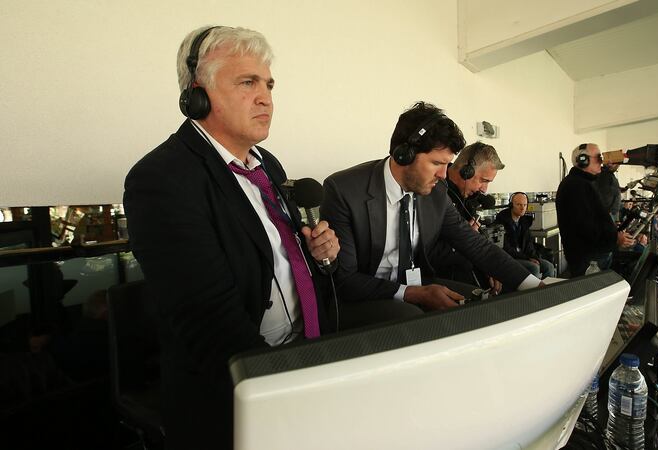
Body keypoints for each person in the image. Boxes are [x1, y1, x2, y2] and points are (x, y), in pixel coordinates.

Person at [123, 26, 339, 450]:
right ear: (197, 96)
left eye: (269, 85)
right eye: (247, 82)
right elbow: (211, 325)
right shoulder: (161, 179)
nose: (266, 98)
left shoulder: (267, 165)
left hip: (305, 361)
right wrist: (290, 390)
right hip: (238, 395)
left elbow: (275, 258)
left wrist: (319, 253)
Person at [320, 101, 540, 328]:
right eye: (437, 163)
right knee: (416, 320)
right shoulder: (344, 190)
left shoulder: (436, 193)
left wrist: (536, 287)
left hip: (416, 283)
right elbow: (345, 280)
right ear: (404, 155)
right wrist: (414, 293)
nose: (444, 174)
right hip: (362, 295)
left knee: (480, 307)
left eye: (447, 164)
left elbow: (476, 245)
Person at [428, 142, 505, 287]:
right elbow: (427, 252)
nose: (484, 189)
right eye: (483, 180)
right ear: (466, 171)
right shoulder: (432, 191)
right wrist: (463, 238)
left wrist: (489, 267)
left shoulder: (469, 199)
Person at [556, 143, 634, 277]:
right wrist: (614, 238)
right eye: (598, 158)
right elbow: (585, 226)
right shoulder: (576, 186)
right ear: (583, 160)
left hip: (592, 255)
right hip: (589, 258)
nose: (602, 161)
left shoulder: (582, 182)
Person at [494, 192, 555, 279]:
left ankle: (547, 288)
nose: (522, 208)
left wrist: (534, 257)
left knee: (549, 267)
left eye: (525, 205)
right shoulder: (502, 221)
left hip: (524, 256)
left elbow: (529, 243)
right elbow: (506, 248)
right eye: (519, 205)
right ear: (511, 205)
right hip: (510, 258)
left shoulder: (524, 221)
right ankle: (534, 288)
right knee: (534, 267)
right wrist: (527, 259)